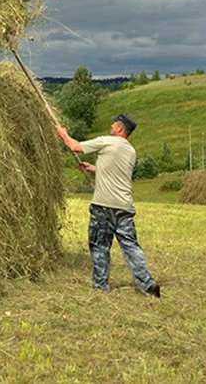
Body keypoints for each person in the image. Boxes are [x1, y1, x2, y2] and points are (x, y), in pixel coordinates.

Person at [54, 113, 160, 297]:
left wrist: (62, 133)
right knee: (130, 246)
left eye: (113, 126)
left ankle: (100, 285)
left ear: (119, 128)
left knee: (99, 246)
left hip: (103, 206)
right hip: (124, 207)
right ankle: (147, 283)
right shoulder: (130, 151)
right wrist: (94, 168)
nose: (110, 128)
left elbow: (74, 146)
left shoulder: (107, 141)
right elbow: (115, 172)